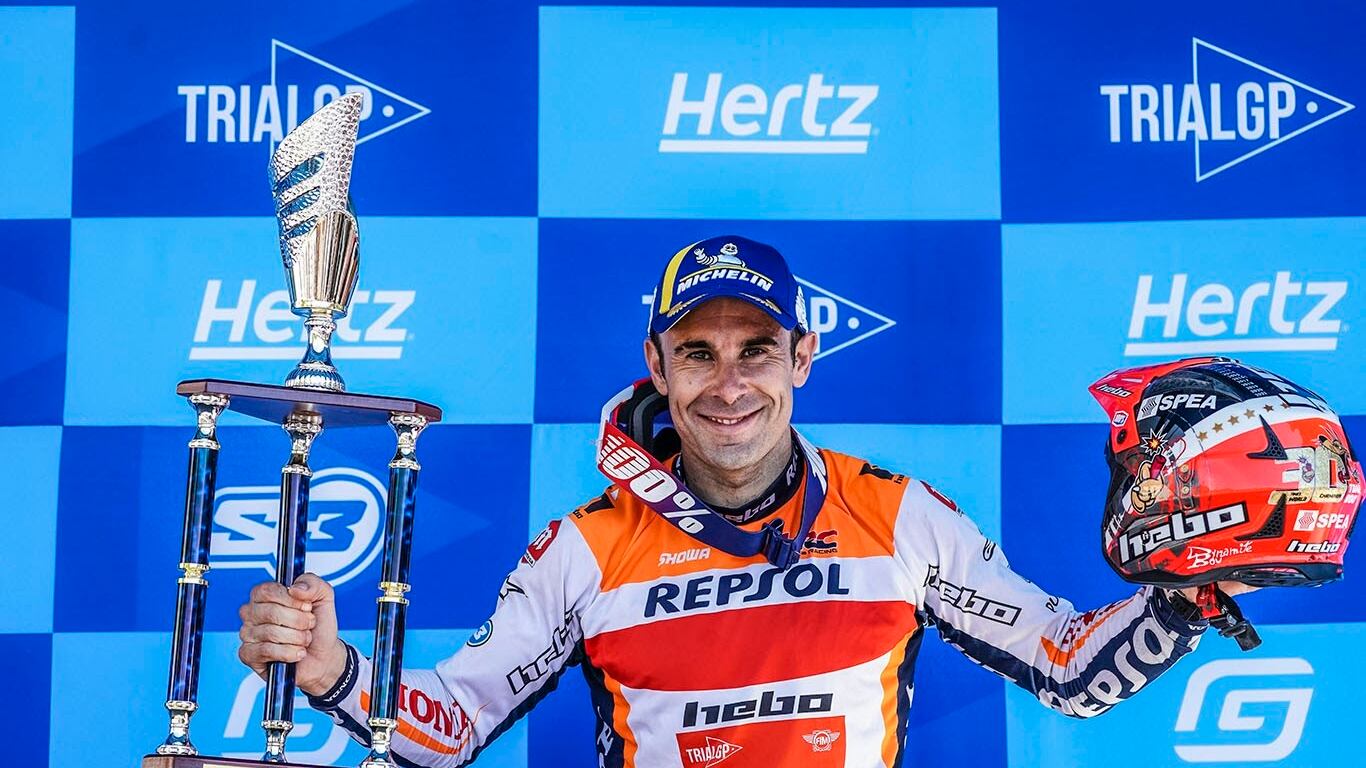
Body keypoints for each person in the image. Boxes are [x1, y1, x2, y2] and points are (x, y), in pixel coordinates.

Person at [237, 236, 1251, 767]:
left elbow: (1070, 669)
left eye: (756, 350)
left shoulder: (900, 516)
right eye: (698, 353)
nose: (729, 386)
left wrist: (1190, 592)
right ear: (657, 365)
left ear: (802, 357)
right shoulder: (583, 550)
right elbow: (449, 730)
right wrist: (330, 668)